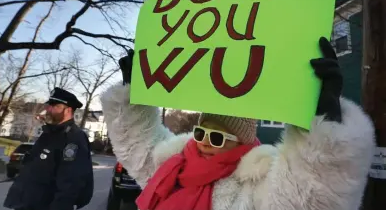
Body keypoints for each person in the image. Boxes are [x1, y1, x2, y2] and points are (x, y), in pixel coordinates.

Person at [100, 37, 375, 210]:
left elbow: (309, 197)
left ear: (241, 142)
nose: (205, 141)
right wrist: (132, 96)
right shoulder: (173, 164)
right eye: (201, 132)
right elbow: (138, 147)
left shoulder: (257, 181)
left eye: (218, 138)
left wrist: (325, 120)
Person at [4, 88, 94, 210]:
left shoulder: (73, 138)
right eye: (49, 105)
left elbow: (71, 182)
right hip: (27, 204)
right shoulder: (49, 133)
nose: (48, 109)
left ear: (68, 110)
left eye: (54, 106)